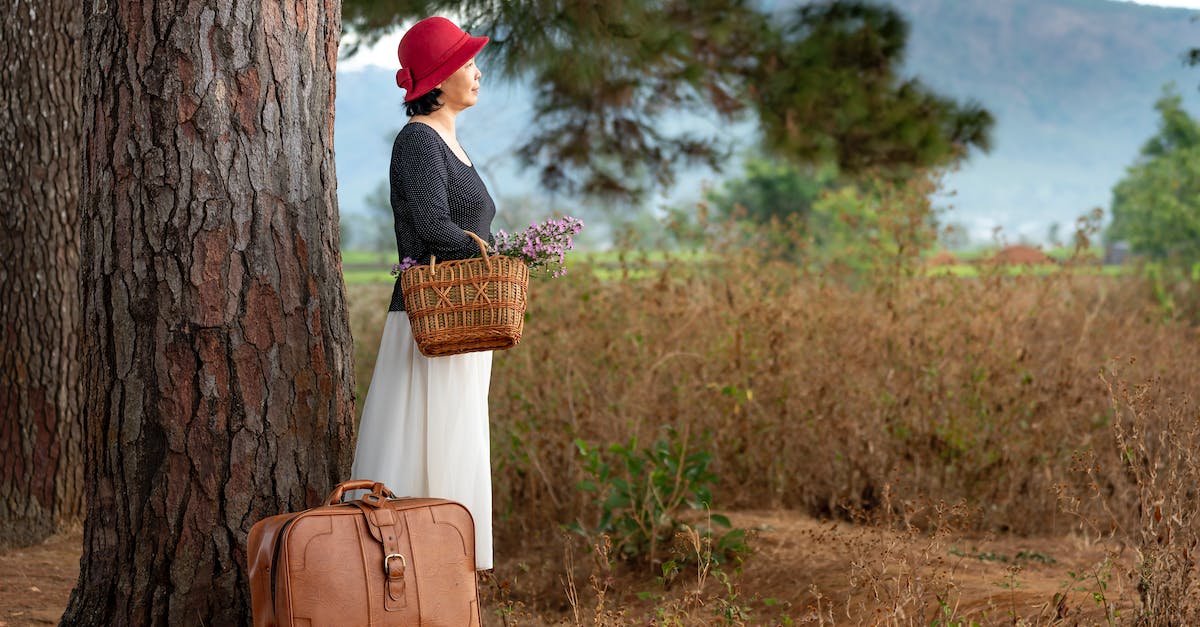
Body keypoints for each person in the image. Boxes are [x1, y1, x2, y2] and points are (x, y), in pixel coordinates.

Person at [350, 16, 497, 571]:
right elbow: (434, 227)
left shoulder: (453, 143)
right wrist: (492, 262)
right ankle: (406, 575)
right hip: (427, 321)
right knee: (422, 448)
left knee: (455, 444)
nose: (477, 72)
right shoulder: (418, 140)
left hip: (461, 322)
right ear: (437, 79)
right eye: (466, 63)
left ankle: (446, 579)